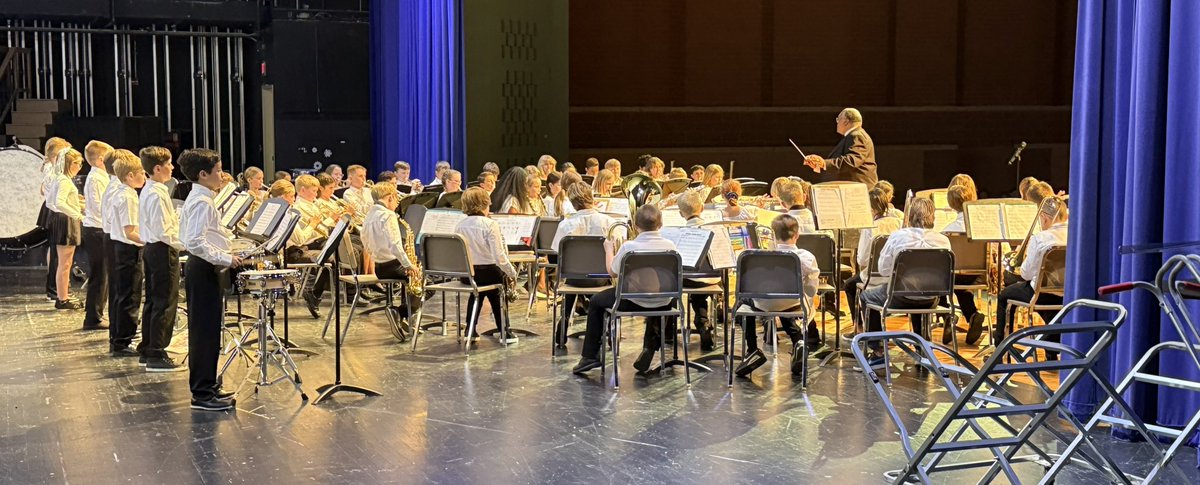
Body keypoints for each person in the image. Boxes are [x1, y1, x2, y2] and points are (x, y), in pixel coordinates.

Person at [571, 205, 678, 376]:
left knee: (597, 301)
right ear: (661, 224)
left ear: (636, 226)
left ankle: (590, 356)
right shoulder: (671, 246)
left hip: (630, 302)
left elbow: (612, 272)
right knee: (655, 295)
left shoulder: (629, 247)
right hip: (663, 303)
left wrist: (609, 250)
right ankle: (650, 346)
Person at [178, 148, 241, 411]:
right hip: (203, 267)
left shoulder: (201, 197)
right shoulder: (202, 201)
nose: (222, 175)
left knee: (209, 329)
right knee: (204, 332)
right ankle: (202, 394)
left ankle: (208, 385)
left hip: (204, 266)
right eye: (218, 170)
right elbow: (194, 241)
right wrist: (227, 258)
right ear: (203, 175)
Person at [857, 198, 951, 369]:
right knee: (918, 296)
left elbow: (883, 270)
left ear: (910, 216)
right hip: (931, 299)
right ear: (933, 217)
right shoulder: (943, 241)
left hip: (900, 297)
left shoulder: (898, 237)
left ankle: (877, 352)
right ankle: (922, 350)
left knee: (865, 297)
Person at [735, 214, 820, 377]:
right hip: (793, 302)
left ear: (772, 235)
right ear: (797, 235)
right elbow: (811, 291)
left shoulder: (755, 256)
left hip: (763, 304)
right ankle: (798, 342)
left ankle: (752, 350)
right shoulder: (806, 257)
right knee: (786, 305)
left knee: (742, 303)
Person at [993, 196, 1068, 347]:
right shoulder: (1075, 236)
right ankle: (1051, 350)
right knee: (1051, 305)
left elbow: (1025, 274)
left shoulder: (1040, 238)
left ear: (1045, 218)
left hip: (1040, 295)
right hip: (1066, 294)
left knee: (1004, 295)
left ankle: (999, 347)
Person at [137, 146, 185, 372]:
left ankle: (148, 347)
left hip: (154, 248)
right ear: (157, 169)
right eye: (169, 164)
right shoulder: (156, 193)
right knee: (165, 301)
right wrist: (185, 244)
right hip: (162, 249)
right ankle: (157, 353)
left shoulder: (151, 189)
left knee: (154, 300)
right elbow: (164, 230)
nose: (172, 167)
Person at [550, 183, 617, 333]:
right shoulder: (609, 223)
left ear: (573, 203)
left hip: (573, 278)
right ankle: (605, 325)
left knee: (572, 279)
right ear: (592, 198)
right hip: (601, 277)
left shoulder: (565, 225)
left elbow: (556, 253)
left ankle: (565, 318)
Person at [454, 187, 519, 343]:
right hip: (489, 272)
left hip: (469, 274)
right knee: (497, 296)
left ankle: (470, 330)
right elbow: (499, 258)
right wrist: (512, 273)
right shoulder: (490, 225)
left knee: (476, 294)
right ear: (485, 203)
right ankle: (505, 331)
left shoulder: (459, 225)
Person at [843, 187, 902, 335]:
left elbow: (862, 258)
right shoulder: (899, 223)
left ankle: (859, 326)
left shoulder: (869, 226)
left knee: (849, 285)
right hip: (896, 277)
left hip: (873, 277)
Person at [106, 149, 147, 358]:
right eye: (142, 173)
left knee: (123, 295)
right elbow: (130, 232)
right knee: (130, 296)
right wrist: (151, 240)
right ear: (130, 176)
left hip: (121, 249)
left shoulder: (123, 192)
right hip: (128, 250)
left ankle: (118, 338)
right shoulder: (128, 196)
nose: (144, 177)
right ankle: (123, 341)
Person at [361, 182, 417, 320]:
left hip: (379, 267)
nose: (397, 203)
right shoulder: (388, 215)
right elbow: (395, 244)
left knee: (411, 280)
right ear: (390, 197)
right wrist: (408, 264)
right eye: (396, 198)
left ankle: (405, 319)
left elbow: (365, 241)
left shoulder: (369, 215)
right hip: (393, 266)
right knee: (424, 280)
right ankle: (401, 313)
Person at [939, 183, 985, 344]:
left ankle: (947, 315)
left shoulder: (948, 230)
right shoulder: (981, 227)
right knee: (962, 288)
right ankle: (972, 315)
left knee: (938, 279)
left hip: (954, 276)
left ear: (951, 204)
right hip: (979, 275)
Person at [674, 191, 717, 351]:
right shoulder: (714, 230)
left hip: (688, 278)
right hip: (714, 278)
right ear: (703, 208)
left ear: (680, 213)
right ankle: (703, 323)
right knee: (700, 288)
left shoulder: (678, 234)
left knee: (680, 283)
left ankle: (668, 332)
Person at [46, 148, 86, 310]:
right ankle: (62, 298)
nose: (79, 167)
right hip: (66, 221)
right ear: (69, 163)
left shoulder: (60, 179)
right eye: (77, 163)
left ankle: (63, 295)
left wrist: (76, 202)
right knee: (65, 263)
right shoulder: (64, 180)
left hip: (60, 220)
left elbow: (51, 202)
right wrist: (77, 214)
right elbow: (59, 202)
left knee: (65, 262)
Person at [81, 141, 114, 328]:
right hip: (97, 229)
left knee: (104, 275)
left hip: (100, 228)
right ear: (101, 160)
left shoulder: (102, 177)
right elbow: (99, 206)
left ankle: (97, 313)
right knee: (99, 275)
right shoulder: (96, 179)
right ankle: (93, 317)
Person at [803, 107, 878, 186]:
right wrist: (820, 165)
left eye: (838, 119)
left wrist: (824, 163)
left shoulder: (857, 136)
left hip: (858, 190)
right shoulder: (854, 135)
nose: (837, 122)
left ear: (846, 122)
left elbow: (851, 161)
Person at [40, 137, 72, 301]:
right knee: (56, 252)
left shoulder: (49, 168)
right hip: (55, 210)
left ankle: (56, 286)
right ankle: (55, 288)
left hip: (51, 208)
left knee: (54, 250)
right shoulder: (53, 171)